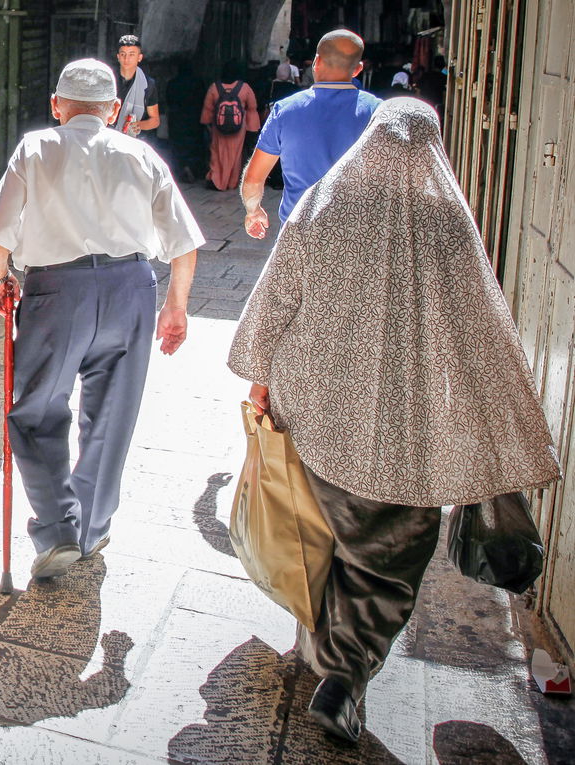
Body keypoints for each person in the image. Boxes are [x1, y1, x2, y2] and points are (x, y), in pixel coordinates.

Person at [227, 98, 560, 743]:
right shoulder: (448, 222)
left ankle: (324, 653)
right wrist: (498, 429)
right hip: (411, 440)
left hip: (319, 417)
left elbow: (276, 294)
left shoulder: (327, 205)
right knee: (386, 562)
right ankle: (345, 677)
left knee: (323, 536)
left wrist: (261, 376)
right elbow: (482, 330)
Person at [0, 59, 204, 579]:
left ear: (56, 106)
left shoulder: (37, 148)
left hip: (58, 292)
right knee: (111, 415)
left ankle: (60, 524)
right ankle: (92, 526)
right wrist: (175, 306)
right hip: (131, 288)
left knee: (36, 409)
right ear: (111, 110)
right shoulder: (140, 154)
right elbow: (184, 242)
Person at [240, 29, 382, 239]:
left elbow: (253, 179)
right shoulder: (378, 111)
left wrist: (253, 211)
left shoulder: (284, 111)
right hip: (358, 234)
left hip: (299, 232)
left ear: (316, 62)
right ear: (358, 69)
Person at [201, 60, 260, 191]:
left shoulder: (214, 87)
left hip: (219, 128)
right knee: (236, 155)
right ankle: (231, 182)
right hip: (238, 129)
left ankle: (217, 180)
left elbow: (208, 109)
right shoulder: (245, 88)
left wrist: (206, 124)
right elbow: (252, 109)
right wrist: (252, 128)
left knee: (217, 153)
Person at [110, 34, 160, 139]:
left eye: (131, 54)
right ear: (118, 57)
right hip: (108, 135)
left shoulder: (148, 85)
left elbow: (155, 120)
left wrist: (139, 125)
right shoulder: (108, 79)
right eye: (123, 54)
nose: (126, 59)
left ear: (139, 57)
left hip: (134, 139)